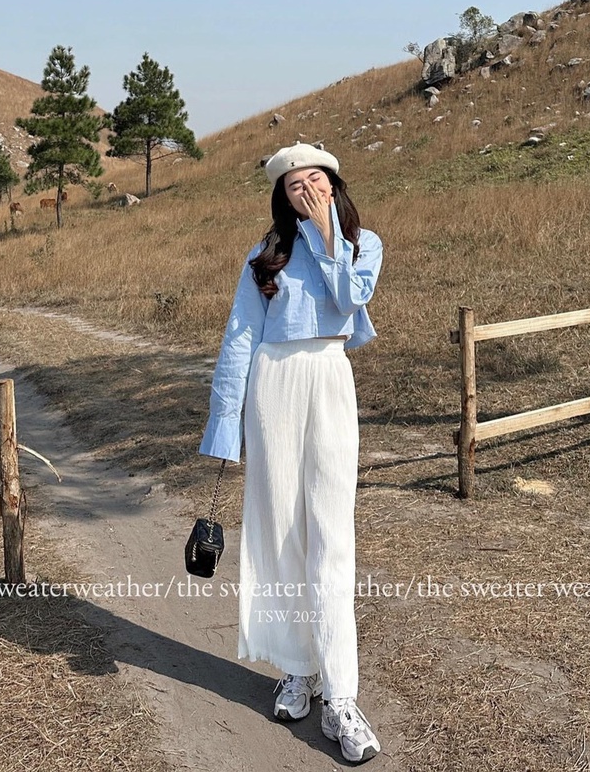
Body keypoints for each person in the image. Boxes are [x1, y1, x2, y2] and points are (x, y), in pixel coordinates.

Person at [199, 142, 384, 764]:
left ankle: (341, 696)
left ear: (334, 183)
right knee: (279, 532)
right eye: (294, 184)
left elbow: (349, 300)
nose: (308, 189)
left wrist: (327, 234)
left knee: (332, 534)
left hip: (329, 378)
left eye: (316, 179)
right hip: (271, 385)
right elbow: (240, 336)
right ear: (281, 196)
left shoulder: (363, 245)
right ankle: (297, 669)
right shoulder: (265, 257)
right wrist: (226, 426)